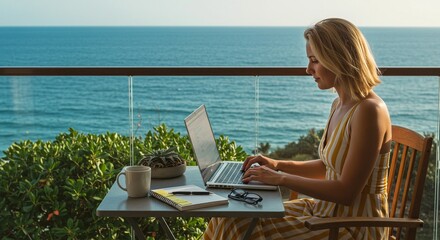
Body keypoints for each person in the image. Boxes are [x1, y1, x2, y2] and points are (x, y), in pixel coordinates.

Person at [203, 18, 392, 240]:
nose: (308, 69)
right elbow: (326, 166)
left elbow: (347, 192)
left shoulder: (370, 110)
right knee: (230, 214)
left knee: (238, 227)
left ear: (338, 59)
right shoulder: (340, 104)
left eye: (315, 60)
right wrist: (277, 164)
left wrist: (280, 178)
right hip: (323, 212)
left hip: (351, 227)